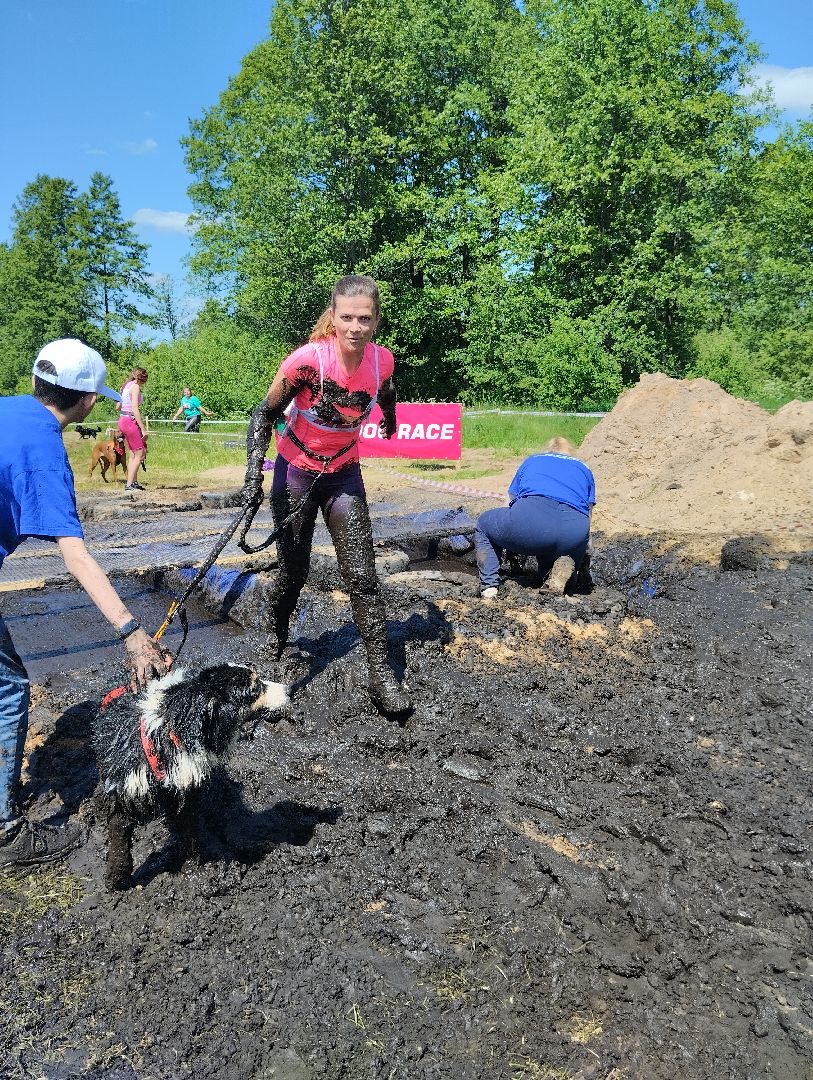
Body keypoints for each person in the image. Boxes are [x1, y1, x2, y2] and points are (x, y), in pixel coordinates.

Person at [0, 339, 172, 868]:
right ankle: (6, 834)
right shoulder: (45, 449)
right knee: (7, 692)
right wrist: (132, 633)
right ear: (90, 401)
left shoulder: (7, 407)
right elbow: (75, 555)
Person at [240, 275, 412, 715]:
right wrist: (251, 481)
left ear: (376, 321)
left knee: (363, 576)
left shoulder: (383, 361)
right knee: (294, 572)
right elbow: (263, 414)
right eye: (348, 318)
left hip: (343, 474)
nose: (356, 327)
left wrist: (389, 419)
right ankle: (274, 644)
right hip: (295, 472)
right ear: (333, 318)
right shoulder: (307, 362)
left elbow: (387, 391)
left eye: (365, 319)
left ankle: (381, 676)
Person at [475, 437, 595, 600]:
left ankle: (489, 587)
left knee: (484, 525)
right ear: (571, 452)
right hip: (574, 531)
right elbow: (588, 513)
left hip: (533, 522)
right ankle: (559, 579)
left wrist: (510, 536)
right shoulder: (584, 468)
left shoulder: (533, 460)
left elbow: (511, 498)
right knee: (554, 548)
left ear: (547, 450)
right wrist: (584, 546)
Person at [117, 367, 149, 490]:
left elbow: (118, 407)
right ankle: (129, 485)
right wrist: (143, 428)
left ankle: (133, 482)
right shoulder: (135, 387)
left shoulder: (126, 385)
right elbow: (135, 409)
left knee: (132, 453)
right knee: (139, 453)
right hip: (130, 421)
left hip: (122, 420)